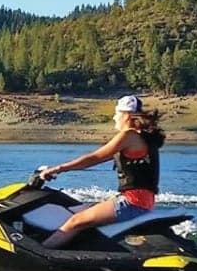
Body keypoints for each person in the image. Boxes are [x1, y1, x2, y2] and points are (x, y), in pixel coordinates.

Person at [37, 95, 164, 250]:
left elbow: (94, 158)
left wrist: (58, 169)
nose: (114, 117)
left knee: (75, 221)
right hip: (141, 201)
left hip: (132, 202)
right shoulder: (142, 137)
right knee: (80, 208)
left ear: (126, 116)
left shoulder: (129, 136)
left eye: (117, 113)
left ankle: (39, 254)